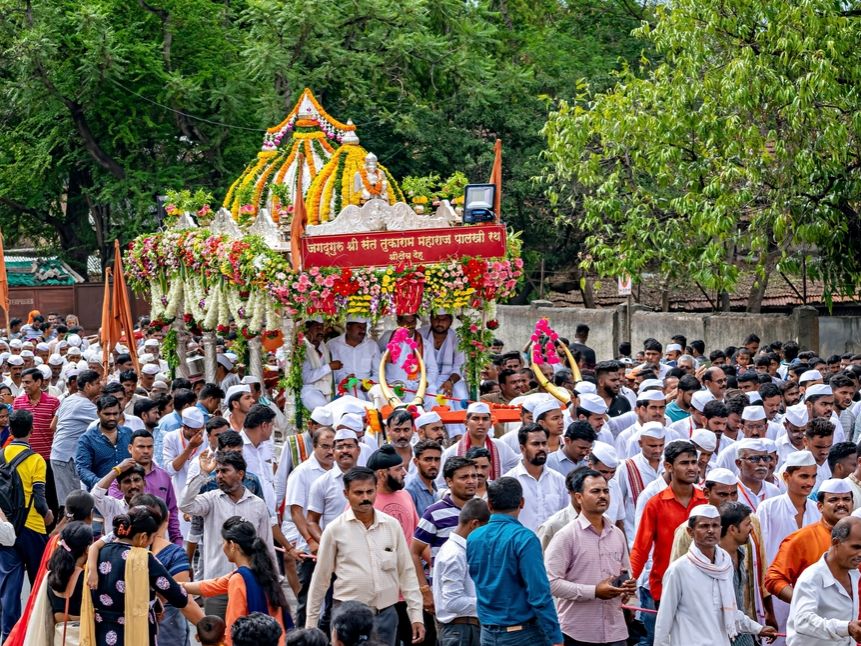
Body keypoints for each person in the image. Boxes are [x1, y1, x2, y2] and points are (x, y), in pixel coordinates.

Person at [305, 466, 425, 646]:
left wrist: (416, 615)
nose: (365, 498)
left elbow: (406, 572)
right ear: (346, 494)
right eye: (358, 493)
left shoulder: (392, 526)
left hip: (385, 616)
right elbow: (321, 579)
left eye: (370, 491)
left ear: (377, 489)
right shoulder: (335, 530)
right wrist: (311, 624)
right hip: (347, 618)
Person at [654, 505, 774, 646]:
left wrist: (758, 628)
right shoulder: (678, 570)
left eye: (715, 525)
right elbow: (664, 621)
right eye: (704, 526)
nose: (711, 531)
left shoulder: (724, 564)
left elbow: (731, 613)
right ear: (690, 532)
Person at [83, 506, 204, 645]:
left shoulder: (99, 552)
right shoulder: (144, 559)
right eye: (153, 537)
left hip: (102, 633)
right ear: (143, 537)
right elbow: (178, 597)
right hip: (134, 634)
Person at [467, 476, 563, 646]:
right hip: (523, 633)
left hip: (488, 632)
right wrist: (555, 635)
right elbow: (539, 593)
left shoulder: (474, 537)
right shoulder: (524, 538)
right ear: (522, 503)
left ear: (489, 505)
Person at [180, 450, 277, 617]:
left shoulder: (258, 505)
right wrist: (202, 474)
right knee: (216, 641)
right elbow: (185, 505)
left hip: (249, 585)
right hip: (216, 588)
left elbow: (267, 545)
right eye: (217, 471)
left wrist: (273, 583)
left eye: (224, 471)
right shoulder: (210, 499)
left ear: (240, 474)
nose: (219, 476)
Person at [545, 468, 635, 646]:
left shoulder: (616, 534)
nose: (602, 496)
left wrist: (628, 589)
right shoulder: (566, 535)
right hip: (577, 633)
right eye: (595, 491)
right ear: (579, 497)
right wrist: (594, 592)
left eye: (606, 491)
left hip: (615, 631)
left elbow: (626, 572)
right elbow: (551, 582)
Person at [183, 517, 291, 646]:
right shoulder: (262, 570)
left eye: (224, 542)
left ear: (233, 545)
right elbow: (211, 585)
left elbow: (233, 626)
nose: (223, 547)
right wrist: (175, 585)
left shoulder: (239, 579)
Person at [630, 440, 706, 611]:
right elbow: (641, 548)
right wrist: (630, 582)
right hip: (664, 588)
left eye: (694, 462)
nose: (692, 468)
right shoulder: (655, 504)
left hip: (703, 589)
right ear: (669, 467)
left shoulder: (706, 501)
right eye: (684, 463)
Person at [0, 409, 53, 641]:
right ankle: (35, 634)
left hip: (6, 530)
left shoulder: (0, 455)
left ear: (9, 430)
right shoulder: (36, 460)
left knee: (10, 588)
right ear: (31, 431)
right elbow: (40, 500)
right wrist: (49, 515)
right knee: (39, 585)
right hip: (33, 529)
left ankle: (9, 637)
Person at [411, 455, 478, 626]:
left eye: (474, 476)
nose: (471, 481)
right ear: (449, 481)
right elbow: (414, 551)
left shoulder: (483, 510)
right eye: (464, 477)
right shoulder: (434, 512)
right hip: (447, 604)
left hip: (477, 600)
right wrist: (424, 590)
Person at [765, 478, 853, 604]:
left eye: (846, 499)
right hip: (816, 620)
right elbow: (774, 579)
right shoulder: (801, 539)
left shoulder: (857, 534)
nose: (841, 504)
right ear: (820, 506)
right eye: (833, 500)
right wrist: (804, 603)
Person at [786, 516, 861, 645]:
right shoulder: (811, 578)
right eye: (856, 547)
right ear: (836, 543)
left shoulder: (855, 575)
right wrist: (847, 628)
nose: (860, 554)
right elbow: (803, 621)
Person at [106, 429, 182, 545]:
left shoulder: (164, 476)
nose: (146, 451)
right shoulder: (119, 478)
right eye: (141, 447)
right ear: (130, 448)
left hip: (158, 543)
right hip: (127, 542)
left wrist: (177, 542)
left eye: (150, 447)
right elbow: (119, 510)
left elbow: (172, 512)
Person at [432, 498, 489, 646]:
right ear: (474, 524)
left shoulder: (460, 550)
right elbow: (452, 602)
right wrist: (490, 602)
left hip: (466, 630)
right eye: (486, 529)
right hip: (461, 631)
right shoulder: (454, 554)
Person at [503, 423, 567, 531]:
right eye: (536, 444)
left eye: (544, 443)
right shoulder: (509, 481)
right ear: (522, 448)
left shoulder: (559, 480)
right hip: (521, 545)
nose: (541, 448)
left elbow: (566, 517)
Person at [51, 369, 101, 506]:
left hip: (60, 455)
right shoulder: (84, 404)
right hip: (67, 458)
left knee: (69, 501)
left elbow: (53, 425)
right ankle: (71, 527)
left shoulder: (69, 399)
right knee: (73, 502)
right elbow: (109, 420)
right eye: (97, 383)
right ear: (87, 386)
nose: (100, 386)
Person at [437, 402, 518, 485]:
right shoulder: (452, 452)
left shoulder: (500, 446)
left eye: (485, 419)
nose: (480, 423)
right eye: (475, 419)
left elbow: (517, 467)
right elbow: (440, 484)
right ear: (466, 423)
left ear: (490, 424)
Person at [75, 395, 133, 491]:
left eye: (115, 414)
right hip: (101, 495)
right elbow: (82, 469)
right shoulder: (87, 439)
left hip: (128, 492)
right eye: (107, 414)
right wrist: (101, 484)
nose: (112, 418)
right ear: (98, 413)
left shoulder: (128, 433)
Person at [300, 318, 339, 411]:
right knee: (323, 408)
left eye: (322, 328)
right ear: (307, 330)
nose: (321, 331)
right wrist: (329, 367)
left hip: (327, 386)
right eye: (317, 328)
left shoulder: (323, 347)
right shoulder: (302, 348)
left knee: (347, 397)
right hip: (310, 389)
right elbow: (306, 378)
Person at [405, 439, 442, 517]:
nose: (433, 464)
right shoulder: (410, 491)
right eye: (428, 459)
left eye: (437, 459)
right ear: (416, 462)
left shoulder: (437, 489)